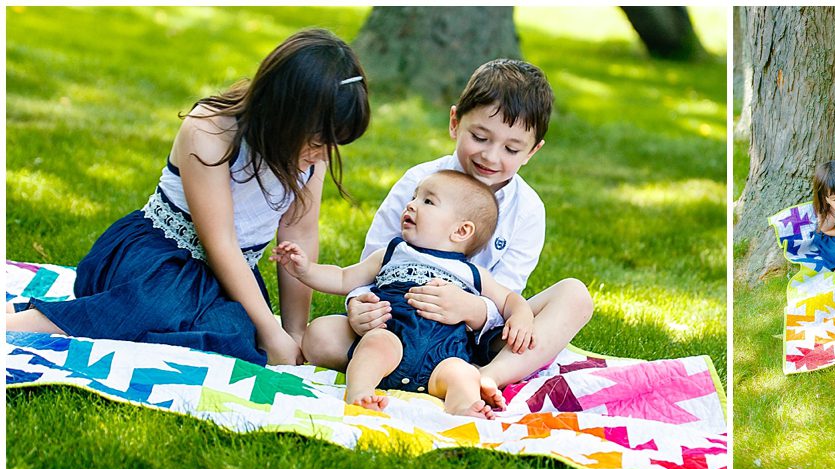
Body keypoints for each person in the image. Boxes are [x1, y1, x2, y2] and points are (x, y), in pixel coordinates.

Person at [6, 29, 370, 366]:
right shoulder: (210, 130)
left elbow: (299, 235)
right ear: (283, 116)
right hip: (156, 258)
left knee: (235, 336)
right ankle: (26, 323)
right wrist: (272, 333)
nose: (323, 154)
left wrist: (293, 331)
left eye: (332, 144)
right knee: (158, 307)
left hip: (224, 278)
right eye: (318, 142)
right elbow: (220, 242)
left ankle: (123, 324)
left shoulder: (311, 157)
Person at [299, 58, 594, 411]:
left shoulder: (527, 210)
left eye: (511, 149)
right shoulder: (418, 183)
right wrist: (360, 304)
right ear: (455, 122)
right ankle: (389, 370)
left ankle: (486, 377)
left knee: (575, 296)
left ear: (532, 151)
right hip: (395, 325)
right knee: (319, 337)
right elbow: (374, 261)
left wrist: (472, 309)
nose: (491, 156)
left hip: (471, 340)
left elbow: (508, 294)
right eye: (479, 137)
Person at [272, 170, 530, 419]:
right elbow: (343, 278)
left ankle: (463, 408)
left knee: (464, 373)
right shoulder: (392, 253)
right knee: (374, 343)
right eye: (414, 197)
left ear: (461, 231)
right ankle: (360, 394)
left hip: (442, 358)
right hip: (391, 341)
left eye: (428, 201)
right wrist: (306, 270)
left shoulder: (472, 273)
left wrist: (521, 315)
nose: (412, 205)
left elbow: (508, 299)